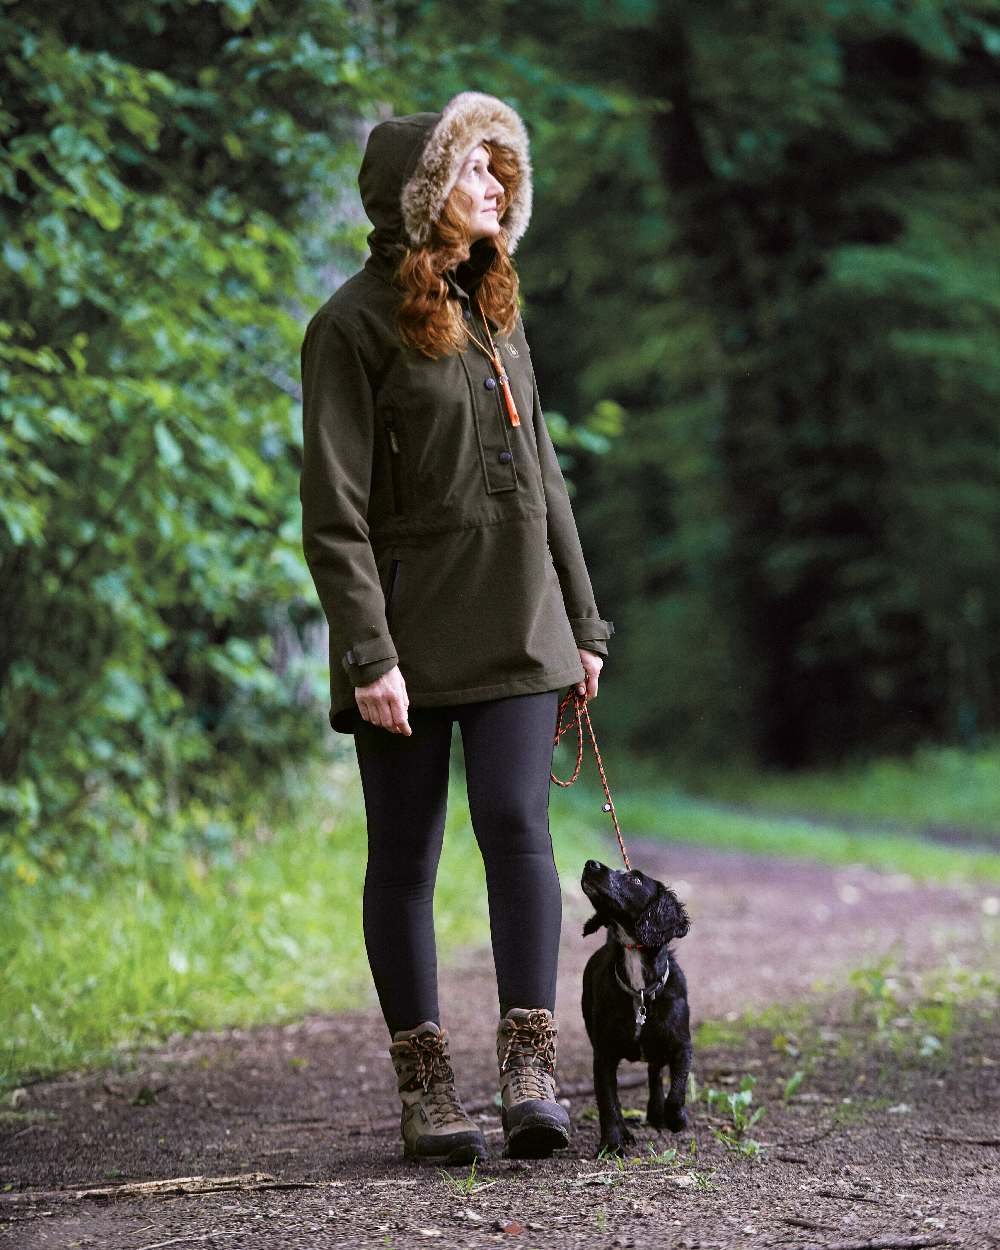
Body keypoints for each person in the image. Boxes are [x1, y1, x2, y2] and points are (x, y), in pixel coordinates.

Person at [299, 91, 614, 1163]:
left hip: (519, 620)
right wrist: (366, 649)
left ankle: (530, 1069)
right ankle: (425, 1087)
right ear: (422, 192)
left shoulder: (498, 309)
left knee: (518, 826)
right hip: (406, 638)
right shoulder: (347, 325)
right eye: (474, 170)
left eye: (498, 170)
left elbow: (546, 482)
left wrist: (584, 620)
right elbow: (332, 511)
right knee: (405, 855)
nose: (497, 186)